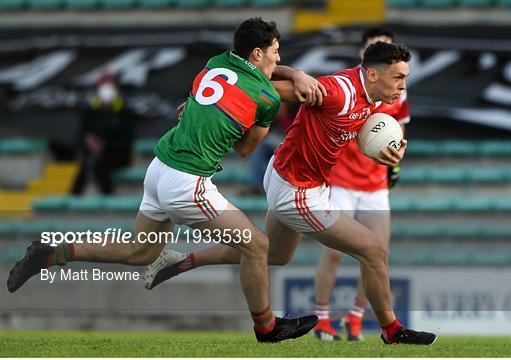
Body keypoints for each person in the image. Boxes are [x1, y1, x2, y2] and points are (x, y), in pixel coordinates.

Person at [7, 18, 327, 343]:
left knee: (141, 252)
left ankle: (52, 252)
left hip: (160, 167)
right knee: (256, 246)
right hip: (187, 181)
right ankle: (267, 327)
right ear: (257, 53)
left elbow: (257, 82)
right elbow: (246, 149)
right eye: (275, 51)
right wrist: (268, 112)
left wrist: (296, 75)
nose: (278, 57)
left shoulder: (217, 62)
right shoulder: (266, 99)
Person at [144, 41, 437, 345]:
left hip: (293, 177)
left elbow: (344, 131)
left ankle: (182, 260)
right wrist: (201, 106)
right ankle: (392, 330)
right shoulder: (336, 90)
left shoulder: (374, 98)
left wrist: (387, 151)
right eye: (398, 77)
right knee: (373, 249)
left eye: (404, 78)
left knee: (276, 254)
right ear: (374, 75)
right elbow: (260, 87)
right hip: (296, 190)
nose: (402, 86)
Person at [312, 28, 410, 342]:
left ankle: (355, 318)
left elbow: (399, 132)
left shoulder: (398, 91)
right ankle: (321, 318)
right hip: (341, 179)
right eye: (376, 46)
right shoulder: (346, 88)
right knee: (333, 254)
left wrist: (394, 161)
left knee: (378, 253)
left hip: (375, 183)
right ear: (364, 56)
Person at [71, 73, 134, 195]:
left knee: (99, 164)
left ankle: (108, 196)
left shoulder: (123, 113)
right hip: (94, 155)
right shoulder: (90, 112)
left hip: (117, 156)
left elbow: (126, 139)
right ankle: (73, 198)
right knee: (86, 166)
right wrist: (89, 143)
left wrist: (104, 145)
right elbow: (82, 135)